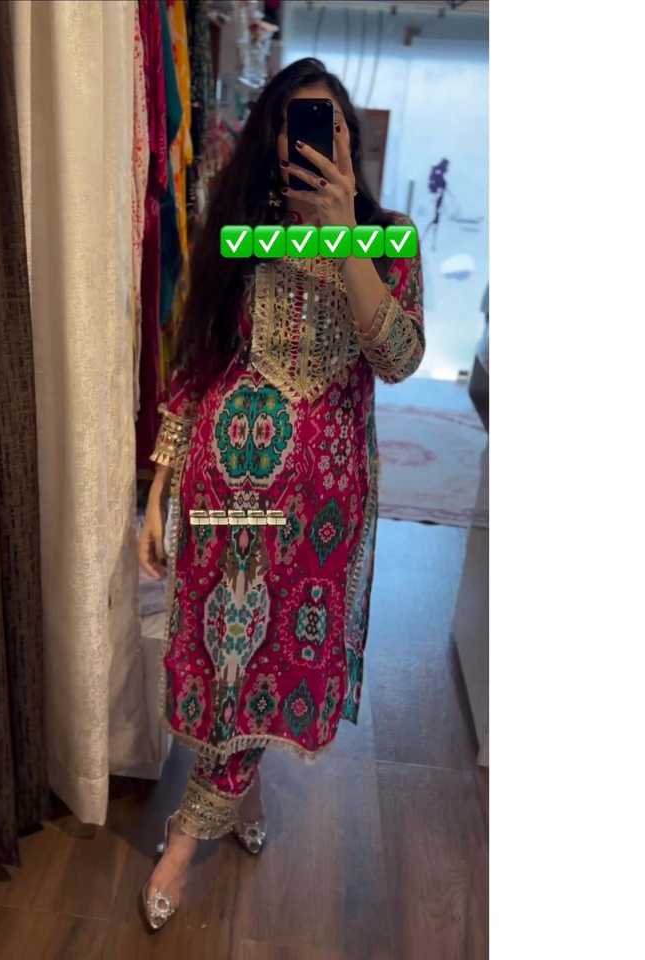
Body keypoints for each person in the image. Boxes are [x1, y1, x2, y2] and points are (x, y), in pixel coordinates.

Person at [136, 57, 425, 932]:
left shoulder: (389, 241)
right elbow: (197, 360)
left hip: (318, 512)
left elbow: (399, 358)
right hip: (223, 494)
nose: (311, 145)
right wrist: (159, 484)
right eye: (295, 128)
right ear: (271, 142)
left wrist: (342, 235)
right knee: (223, 654)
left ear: (349, 141)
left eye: (326, 127)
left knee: (272, 658)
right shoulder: (242, 236)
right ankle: (243, 796)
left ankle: (188, 835)